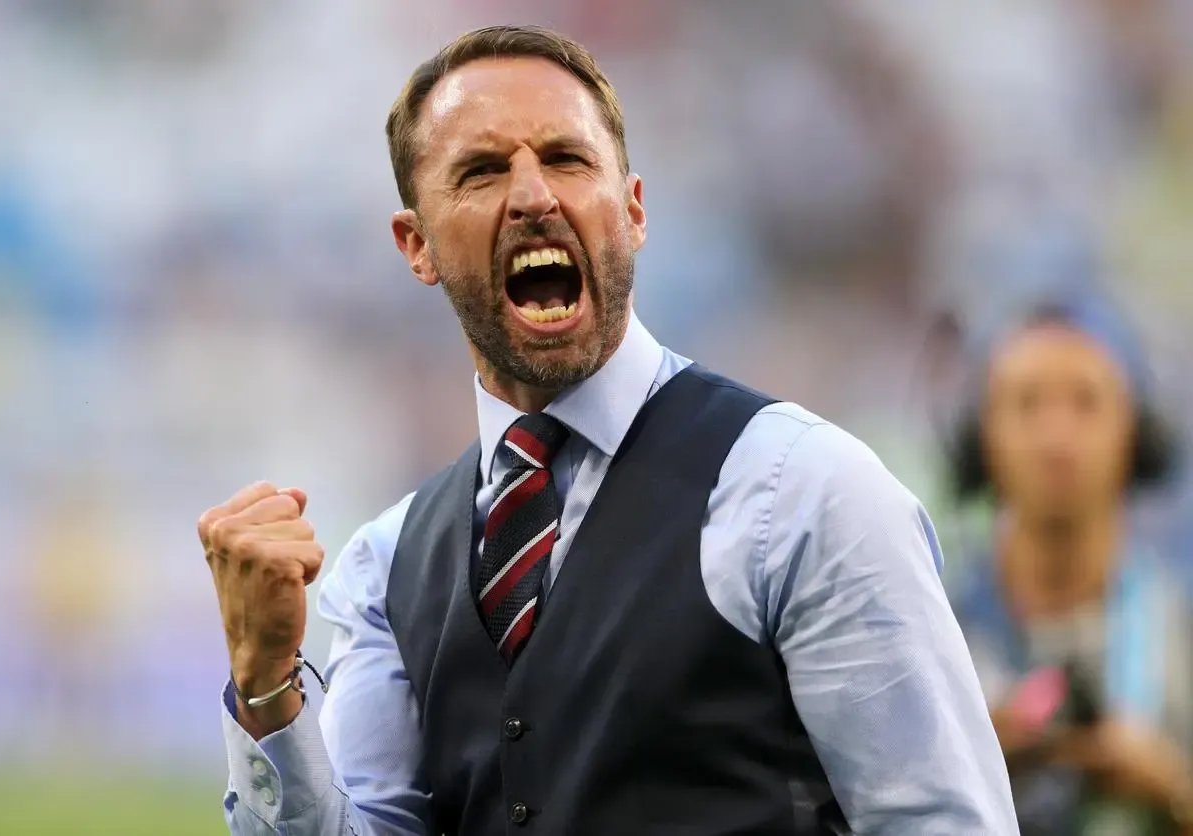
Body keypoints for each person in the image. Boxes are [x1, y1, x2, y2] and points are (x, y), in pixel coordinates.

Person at [199, 24, 1017, 835]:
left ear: (632, 211)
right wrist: (269, 683)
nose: (532, 196)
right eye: (482, 171)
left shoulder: (805, 495)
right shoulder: (386, 566)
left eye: (565, 158)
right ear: (417, 245)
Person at [946, 298, 1192, 834]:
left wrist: (1170, 790)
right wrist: (956, 768)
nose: (1056, 439)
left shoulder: (1181, 630)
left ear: (1139, 430)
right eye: (1027, 403)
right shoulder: (930, 634)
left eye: (1086, 402)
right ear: (979, 436)